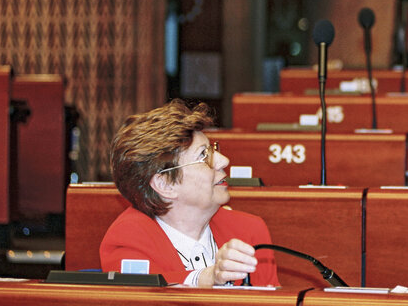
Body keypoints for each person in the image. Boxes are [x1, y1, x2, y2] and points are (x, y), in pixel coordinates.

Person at [100, 99, 279, 287]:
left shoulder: (249, 230)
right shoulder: (128, 239)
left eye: (213, 150)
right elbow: (148, 294)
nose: (223, 161)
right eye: (203, 156)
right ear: (165, 184)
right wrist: (208, 278)